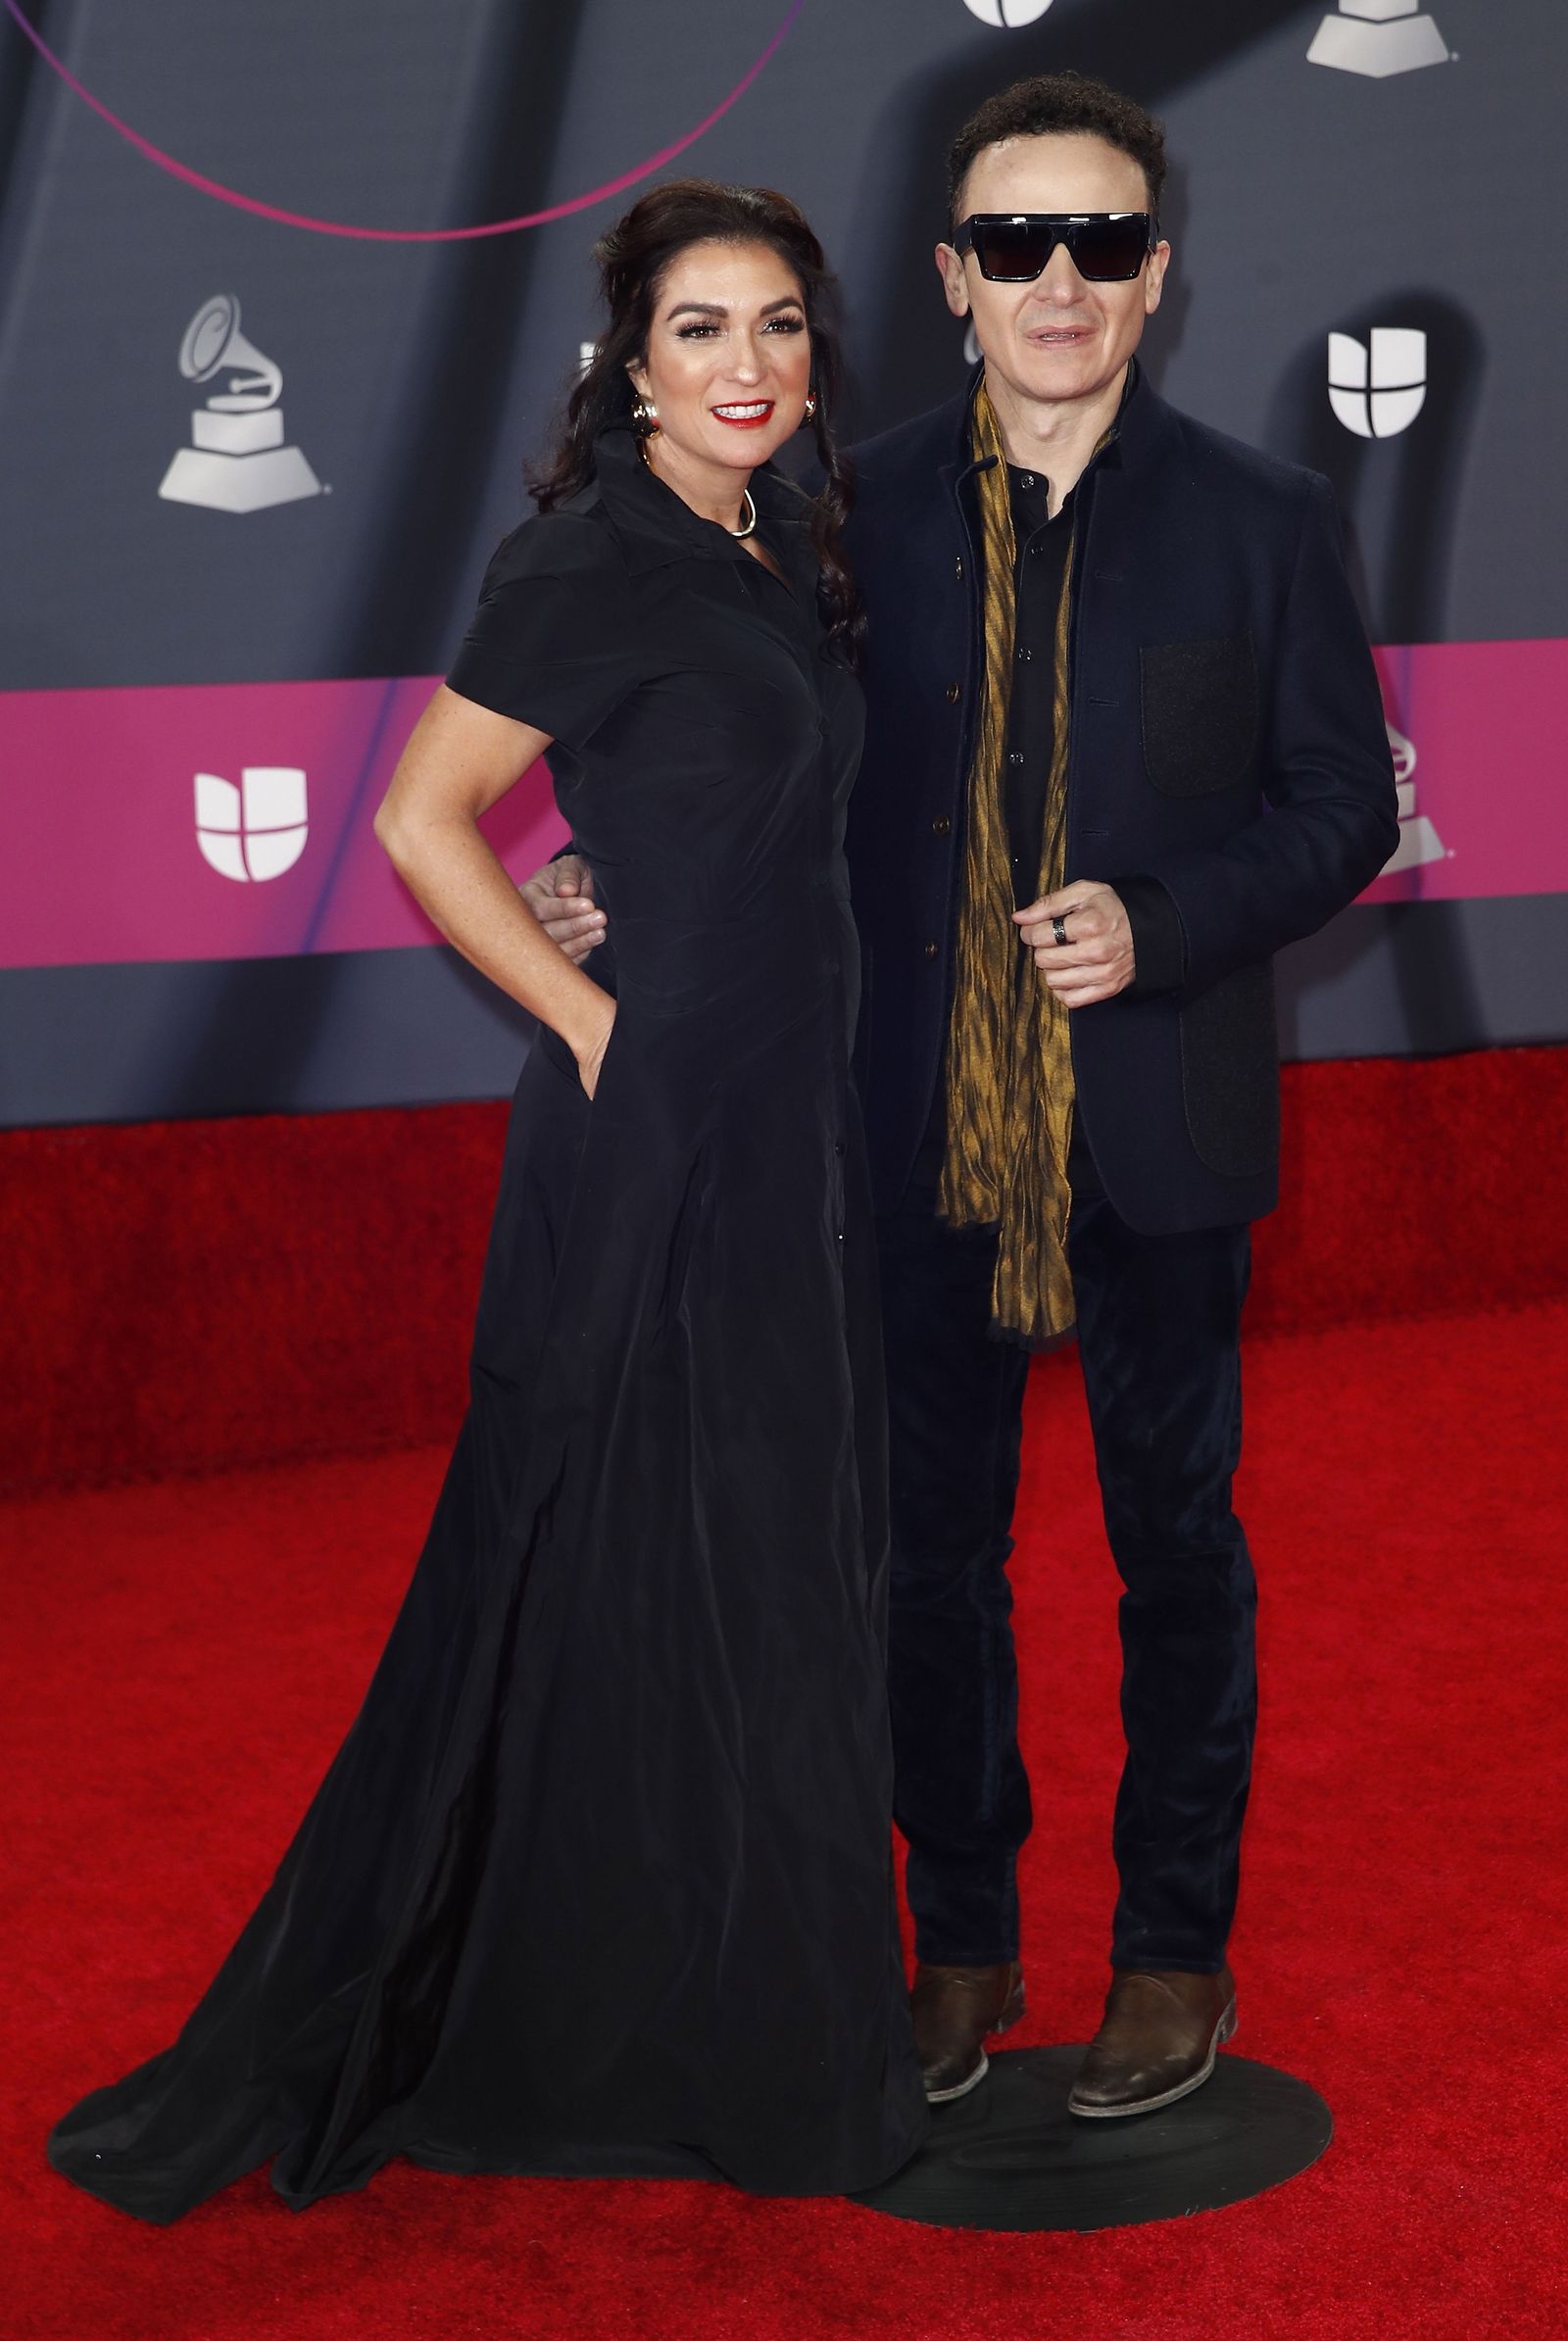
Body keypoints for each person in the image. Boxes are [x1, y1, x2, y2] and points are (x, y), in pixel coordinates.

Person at [48, 180, 928, 2223]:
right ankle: (631, 2030)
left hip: (783, 1119)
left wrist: (613, 885)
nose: (748, 366)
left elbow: (700, 815)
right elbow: (419, 820)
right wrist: (593, 1019)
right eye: (701, 329)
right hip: (660, 1135)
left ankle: (718, 2009)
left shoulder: (771, 545)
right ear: (628, 362)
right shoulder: (597, 554)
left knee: (744, 1572)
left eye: (780, 327)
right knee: (628, 1554)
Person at [532, 76, 1398, 2122]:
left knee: (1171, 1544)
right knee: (924, 1558)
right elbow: (735, 753)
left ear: (1153, 272)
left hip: (1156, 1123)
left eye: (1100, 241)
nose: (1058, 281)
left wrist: (1167, 919)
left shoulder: (1264, 521)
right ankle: (962, 1948)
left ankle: (1171, 1950)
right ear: (948, 278)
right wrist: (614, 867)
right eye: (1014, 243)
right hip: (901, 1126)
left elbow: (1341, 805)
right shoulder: (844, 512)